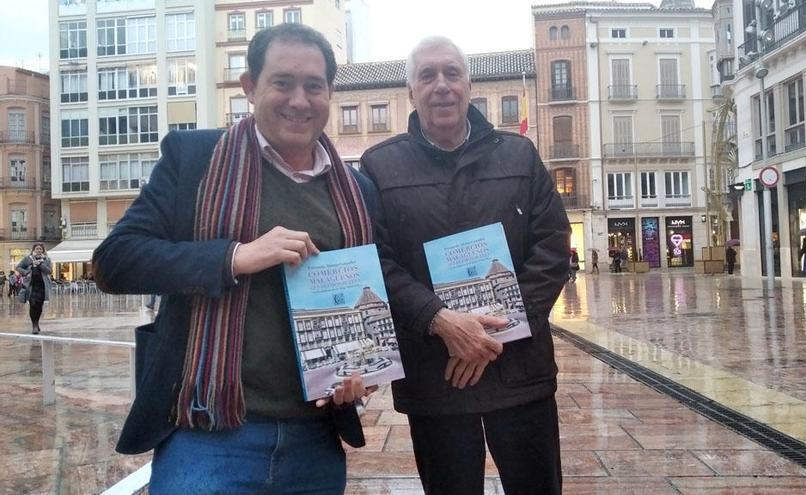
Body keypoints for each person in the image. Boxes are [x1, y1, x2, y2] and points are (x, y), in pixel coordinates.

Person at [92, 24, 377, 494]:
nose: (299, 100)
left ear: (330, 92)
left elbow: (369, 299)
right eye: (282, 83)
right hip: (208, 434)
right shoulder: (195, 160)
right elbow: (114, 261)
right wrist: (235, 257)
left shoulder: (358, 190)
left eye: (314, 86)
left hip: (316, 438)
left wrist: (362, 372)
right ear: (250, 87)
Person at [360, 36, 570, 495]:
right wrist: (439, 320)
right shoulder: (380, 166)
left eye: (452, 73)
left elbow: (553, 246)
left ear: (469, 84)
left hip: (519, 368)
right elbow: (378, 261)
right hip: (437, 373)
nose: (442, 86)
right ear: (410, 91)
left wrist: (495, 331)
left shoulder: (519, 155)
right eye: (427, 75)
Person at [16, 244, 52, 334]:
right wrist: (27, 271)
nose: (39, 250)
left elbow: (49, 271)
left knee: (39, 306)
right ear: (34, 249)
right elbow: (18, 267)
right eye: (37, 248)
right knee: (33, 304)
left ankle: (37, 322)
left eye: (40, 249)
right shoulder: (28, 258)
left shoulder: (47, 259)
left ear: (43, 250)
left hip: (42, 286)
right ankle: (34, 325)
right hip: (31, 285)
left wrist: (40, 264)